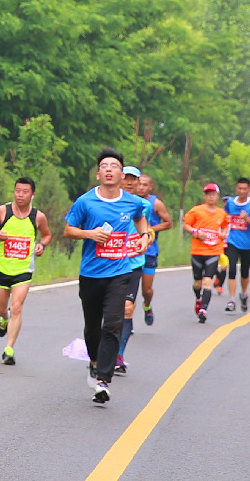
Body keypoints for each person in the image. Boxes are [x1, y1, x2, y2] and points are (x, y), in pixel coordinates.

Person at [64, 148, 150, 404]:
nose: (109, 169)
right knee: (93, 327)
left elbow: (140, 219)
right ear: (99, 173)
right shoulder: (85, 201)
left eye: (114, 165)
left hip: (120, 272)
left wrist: (144, 237)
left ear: (121, 174)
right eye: (104, 165)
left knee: (113, 324)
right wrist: (90, 234)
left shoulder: (133, 202)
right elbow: (69, 230)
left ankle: (103, 380)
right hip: (91, 274)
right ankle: (93, 361)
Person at [0, 177, 52, 366]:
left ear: (32, 194)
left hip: (24, 270)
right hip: (2, 268)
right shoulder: (3, 211)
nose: (20, 195)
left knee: (17, 307)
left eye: (25, 191)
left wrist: (42, 245)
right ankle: (4, 319)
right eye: (17, 191)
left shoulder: (38, 217)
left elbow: (47, 234)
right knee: (0, 309)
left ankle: (9, 349)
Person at [115, 166, 154, 374]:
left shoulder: (144, 205)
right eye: (126, 179)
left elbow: (145, 228)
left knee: (128, 307)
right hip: (110, 262)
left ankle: (119, 355)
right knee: (110, 311)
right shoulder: (108, 202)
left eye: (134, 180)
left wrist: (146, 237)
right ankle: (103, 351)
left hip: (134, 262)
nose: (130, 183)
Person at [182, 183, 229, 323]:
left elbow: (225, 226)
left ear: (217, 196)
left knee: (207, 281)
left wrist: (223, 234)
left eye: (213, 194)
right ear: (204, 196)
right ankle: (198, 297)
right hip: (197, 251)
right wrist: (195, 232)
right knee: (198, 283)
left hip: (213, 251)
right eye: (208, 194)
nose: (210, 196)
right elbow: (185, 225)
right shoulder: (196, 211)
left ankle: (203, 309)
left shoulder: (221, 213)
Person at [223, 178, 250, 312]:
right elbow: (224, 216)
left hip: (248, 244)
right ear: (236, 188)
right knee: (231, 268)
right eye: (239, 188)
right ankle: (231, 300)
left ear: (248, 189)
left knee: (244, 271)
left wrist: (247, 219)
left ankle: (243, 293)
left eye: (244, 189)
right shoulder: (230, 203)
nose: (242, 191)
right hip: (232, 241)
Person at [135, 173, 172, 325]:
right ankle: (127, 321)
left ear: (150, 187)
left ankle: (147, 305)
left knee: (146, 290)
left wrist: (151, 229)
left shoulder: (155, 203)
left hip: (149, 251)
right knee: (127, 293)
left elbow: (168, 223)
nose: (141, 187)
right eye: (139, 184)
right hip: (131, 251)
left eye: (145, 185)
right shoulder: (130, 201)